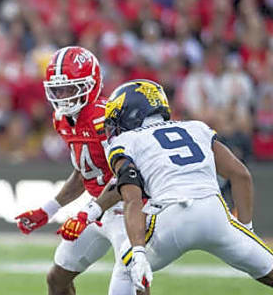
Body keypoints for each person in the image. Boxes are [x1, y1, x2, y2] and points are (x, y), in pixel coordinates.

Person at [105, 79, 273, 294]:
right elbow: (240, 174)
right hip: (215, 214)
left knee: (128, 267)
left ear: (130, 113)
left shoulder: (126, 141)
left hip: (171, 217)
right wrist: (246, 230)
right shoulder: (195, 127)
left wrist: (138, 252)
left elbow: (132, 200)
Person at [14, 46, 132, 295]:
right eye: (58, 90)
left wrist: (86, 214)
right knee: (57, 279)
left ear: (92, 84)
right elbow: (84, 173)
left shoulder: (107, 119)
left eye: (71, 88)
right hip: (98, 211)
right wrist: (47, 210)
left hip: (129, 209)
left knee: (130, 281)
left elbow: (128, 176)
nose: (63, 96)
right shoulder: (62, 119)